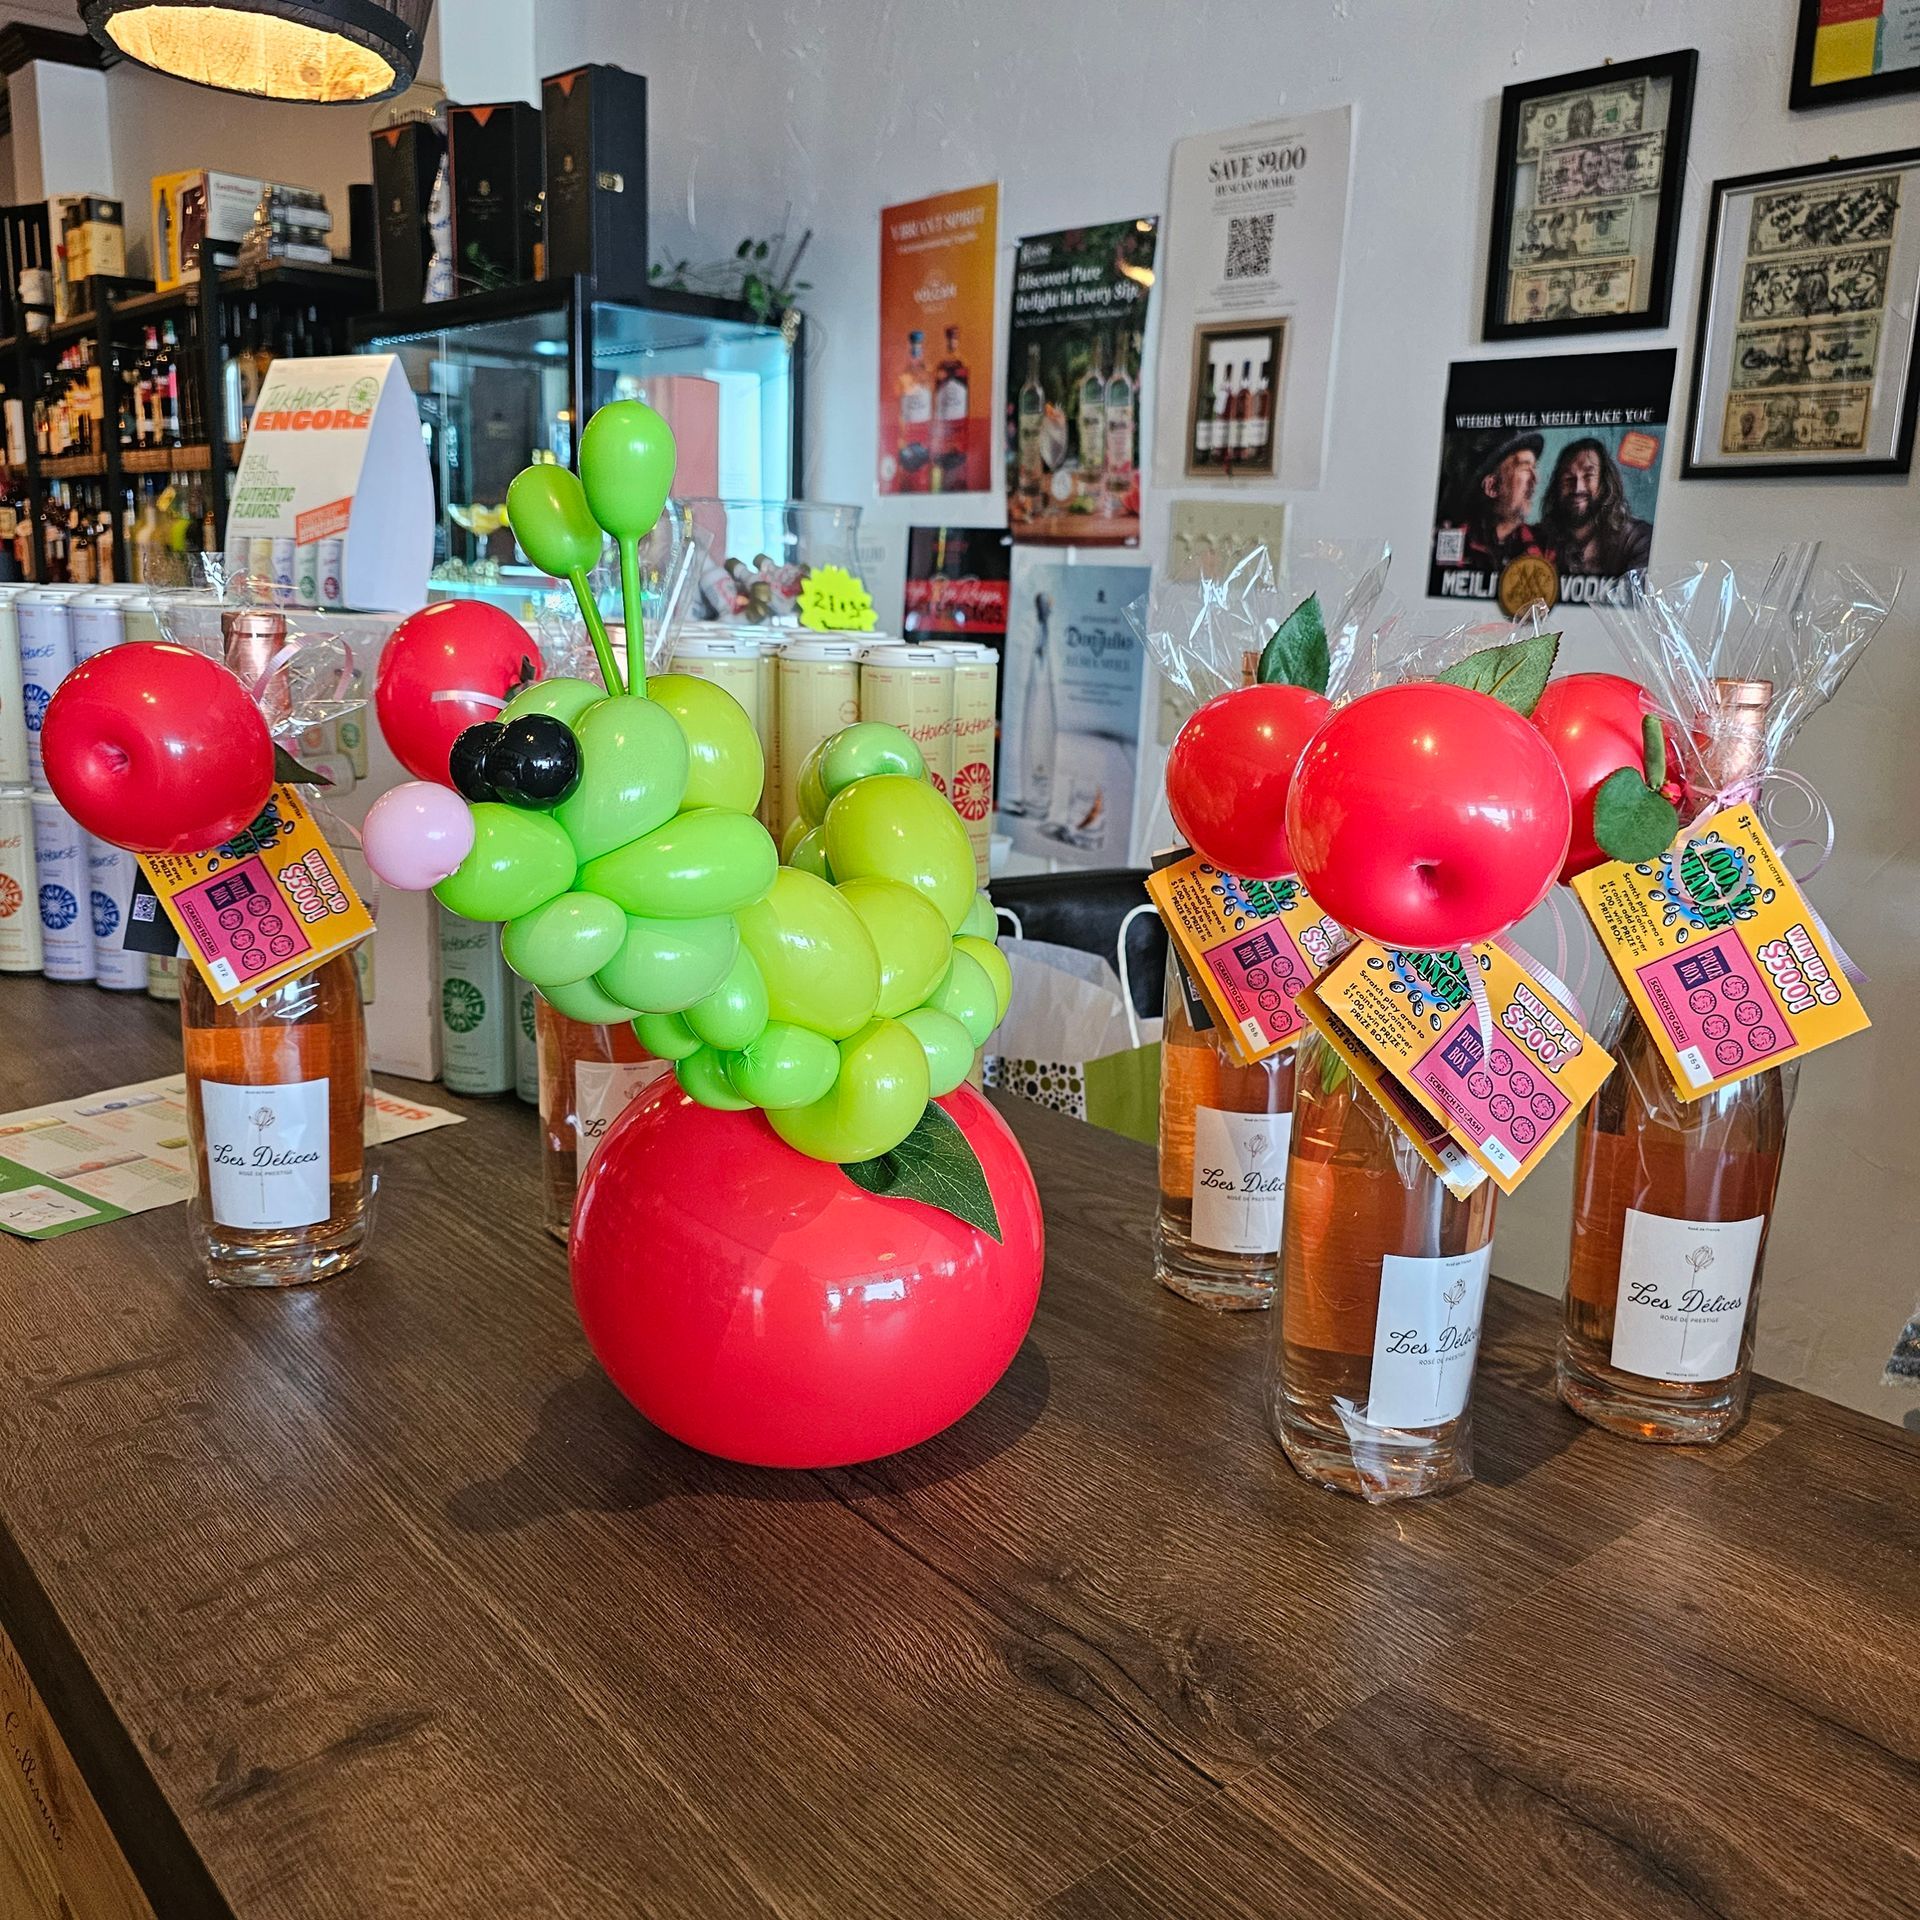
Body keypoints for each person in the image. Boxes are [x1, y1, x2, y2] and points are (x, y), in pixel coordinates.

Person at [1539, 436, 1652, 578]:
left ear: (1604, 483)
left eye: (1588, 476)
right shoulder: (1540, 539)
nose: (1578, 488)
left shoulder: (1637, 540)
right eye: (1568, 478)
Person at [1456, 429, 1547, 572]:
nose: (1536, 479)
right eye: (1524, 467)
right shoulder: (1457, 543)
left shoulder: (1543, 546)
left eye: (1534, 467)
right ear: (1492, 487)